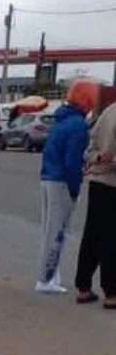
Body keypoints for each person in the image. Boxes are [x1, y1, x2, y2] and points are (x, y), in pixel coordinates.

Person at [35, 80, 97, 294]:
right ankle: (46, 278)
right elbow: (72, 161)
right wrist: (75, 187)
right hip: (61, 181)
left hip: (47, 176)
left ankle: (50, 275)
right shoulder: (78, 125)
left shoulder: (61, 119)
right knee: (57, 231)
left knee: (48, 230)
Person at [76, 88, 116, 308]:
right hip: (112, 182)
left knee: (92, 235)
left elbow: (90, 151)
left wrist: (99, 157)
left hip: (97, 181)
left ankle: (83, 287)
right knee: (111, 239)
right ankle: (112, 292)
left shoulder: (108, 112)